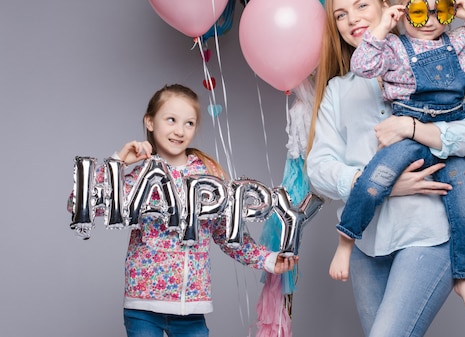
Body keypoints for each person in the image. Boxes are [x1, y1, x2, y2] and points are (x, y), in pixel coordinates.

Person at [306, 0, 465, 335]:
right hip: (367, 242)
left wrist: (413, 129)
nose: (353, 19)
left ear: (388, 6)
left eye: (361, 5)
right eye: (340, 15)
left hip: (428, 234)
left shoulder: (443, 65)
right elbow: (318, 167)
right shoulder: (338, 90)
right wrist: (379, 182)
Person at [68, 84, 297, 337]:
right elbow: (78, 205)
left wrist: (267, 259)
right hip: (142, 305)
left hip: (191, 307)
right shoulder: (138, 177)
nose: (179, 131)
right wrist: (118, 163)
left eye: (189, 123)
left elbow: (227, 233)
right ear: (150, 122)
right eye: (171, 120)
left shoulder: (209, 176)